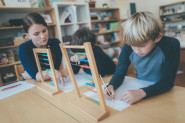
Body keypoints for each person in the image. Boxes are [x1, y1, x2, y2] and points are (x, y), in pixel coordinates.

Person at [104, 12, 180, 104]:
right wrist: (111, 85)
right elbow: (119, 73)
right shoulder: (128, 46)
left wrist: (141, 93)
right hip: (141, 87)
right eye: (133, 45)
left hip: (163, 91)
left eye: (142, 46)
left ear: (157, 37)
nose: (137, 51)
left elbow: (167, 82)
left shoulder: (171, 45)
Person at [19, 13, 65, 85]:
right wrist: (46, 73)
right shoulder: (24, 48)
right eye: (36, 34)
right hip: (32, 84)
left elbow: (56, 69)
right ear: (28, 35)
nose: (43, 36)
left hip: (51, 82)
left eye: (44, 31)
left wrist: (33, 75)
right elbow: (36, 76)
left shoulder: (56, 43)